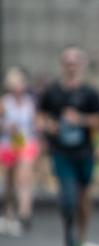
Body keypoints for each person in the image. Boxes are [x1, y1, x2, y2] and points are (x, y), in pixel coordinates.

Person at [37, 46, 99, 246]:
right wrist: (50, 125)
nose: (71, 65)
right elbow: (39, 117)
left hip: (84, 152)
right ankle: (69, 235)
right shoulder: (52, 92)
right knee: (68, 198)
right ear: (62, 64)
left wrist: (81, 120)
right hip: (61, 153)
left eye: (75, 61)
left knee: (84, 198)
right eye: (67, 61)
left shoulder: (90, 93)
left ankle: (81, 238)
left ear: (82, 65)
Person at [0, 66, 40, 235]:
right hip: (8, 144)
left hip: (25, 143)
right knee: (9, 180)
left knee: (24, 177)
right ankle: (9, 210)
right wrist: (7, 127)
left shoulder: (30, 102)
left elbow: (35, 124)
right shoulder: (4, 102)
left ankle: (25, 212)